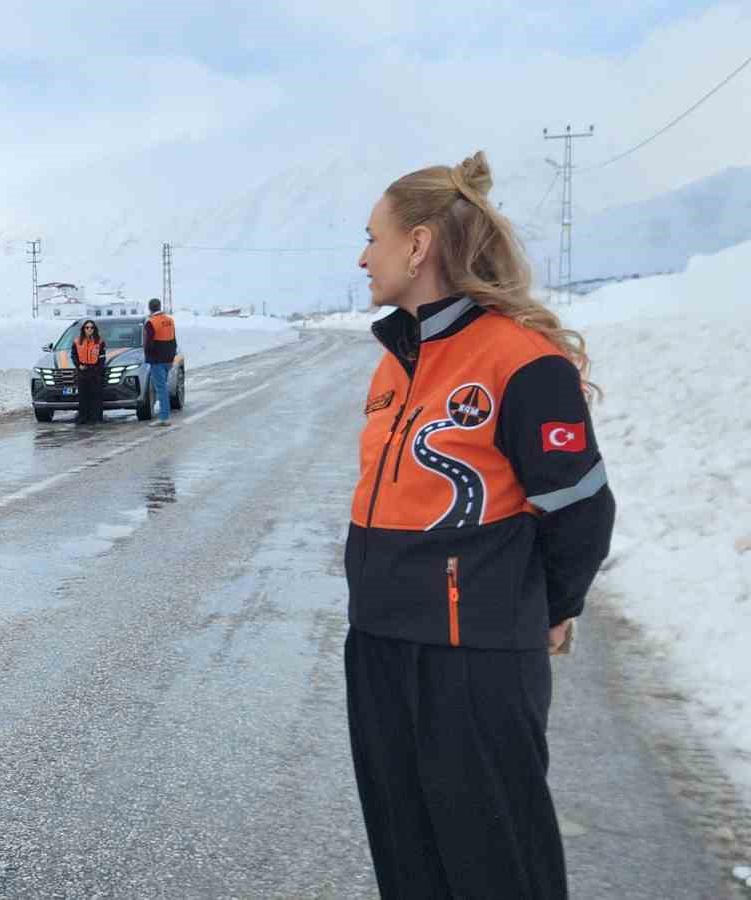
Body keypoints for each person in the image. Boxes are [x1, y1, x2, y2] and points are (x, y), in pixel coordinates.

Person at [345, 151, 615, 899]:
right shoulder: (395, 362)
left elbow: (582, 508)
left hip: (474, 658)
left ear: (418, 245)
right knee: (408, 863)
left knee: (498, 868)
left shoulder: (522, 361)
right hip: (378, 644)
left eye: (372, 238)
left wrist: (546, 608)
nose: (363, 257)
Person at [143, 299, 177, 426]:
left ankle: (164, 417)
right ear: (159, 306)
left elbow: (148, 343)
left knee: (161, 388)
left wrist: (148, 355)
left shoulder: (151, 322)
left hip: (157, 360)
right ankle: (164, 414)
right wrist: (172, 356)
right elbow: (173, 339)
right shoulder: (170, 320)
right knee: (163, 387)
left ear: (150, 308)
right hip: (168, 359)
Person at [71, 319, 107, 425]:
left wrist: (98, 370)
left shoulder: (99, 342)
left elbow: (102, 358)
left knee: (96, 396)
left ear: (94, 329)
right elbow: (74, 356)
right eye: (87, 327)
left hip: (95, 372)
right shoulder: (77, 341)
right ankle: (83, 418)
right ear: (84, 329)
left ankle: (96, 418)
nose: (89, 329)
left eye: (91, 327)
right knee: (83, 396)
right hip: (82, 371)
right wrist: (79, 365)